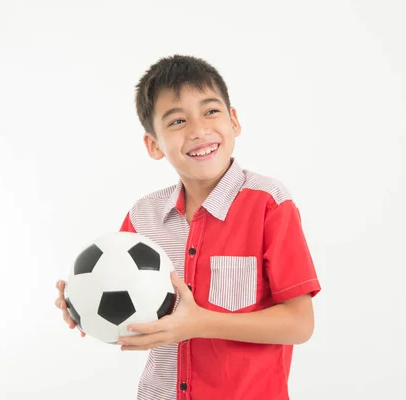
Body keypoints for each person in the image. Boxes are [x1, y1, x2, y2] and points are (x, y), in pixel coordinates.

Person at [55, 54, 322, 400]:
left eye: (211, 111)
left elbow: (300, 324)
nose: (198, 130)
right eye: (177, 121)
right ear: (154, 145)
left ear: (234, 121)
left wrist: (199, 323)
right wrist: (82, 304)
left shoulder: (269, 203)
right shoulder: (143, 217)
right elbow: (126, 307)